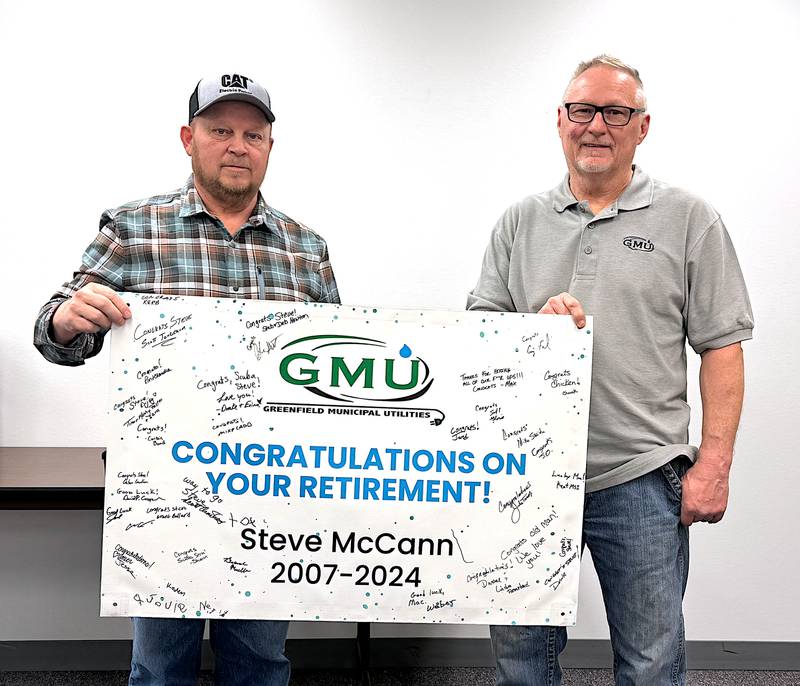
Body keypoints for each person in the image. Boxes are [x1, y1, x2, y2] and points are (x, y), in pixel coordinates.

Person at [34, 73, 339, 686]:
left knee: (258, 664)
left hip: (269, 495)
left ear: (270, 147)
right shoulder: (132, 228)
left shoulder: (306, 250)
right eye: (220, 130)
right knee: (160, 668)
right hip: (160, 493)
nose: (237, 145)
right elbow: (56, 329)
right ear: (188, 138)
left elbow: (331, 371)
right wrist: (68, 320)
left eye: (253, 134)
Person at [467, 55, 753, 686]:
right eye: (582, 110)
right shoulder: (519, 222)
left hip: (643, 477)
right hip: (527, 476)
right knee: (522, 665)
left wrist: (714, 465)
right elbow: (476, 341)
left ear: (641, 127)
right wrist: (532, 332)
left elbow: (723, 348)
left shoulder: (690, 220)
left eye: (616, 112)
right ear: (560, 121)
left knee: (651, 665)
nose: (597, 125)